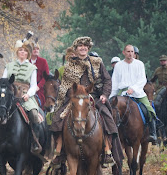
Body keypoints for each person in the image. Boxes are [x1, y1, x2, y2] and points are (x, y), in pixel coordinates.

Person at [51, 36, 120, 167]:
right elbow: (65, 85)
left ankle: (107, 150)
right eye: (80, 46)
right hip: (74, 97)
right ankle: (59, 151)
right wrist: (69, 97)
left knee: (107, 117)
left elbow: (107, 80)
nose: (83, 48)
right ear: (76, 49)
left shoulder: (97, 62)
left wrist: (105, 95)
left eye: (85, 46)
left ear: (88, 48)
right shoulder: (70, 65)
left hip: (94, 95)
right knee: (57, 119)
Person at [1, 38, 44, 157]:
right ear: (17, 52)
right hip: (9, 96)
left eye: (25, 51)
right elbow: (4, 81)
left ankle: (35, 142)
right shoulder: (9, 66)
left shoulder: (32, 68)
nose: (22, 53)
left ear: (28, 54)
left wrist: (28, 95)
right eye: (20, 50)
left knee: (34, 115)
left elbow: (34, 85)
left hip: (25, 96)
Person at [109, 44, 157, 144]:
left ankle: (153, 133)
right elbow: (115, 82)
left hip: (138, 92)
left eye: (132, 52)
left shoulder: (140, 64)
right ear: (124, 52)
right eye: (128, 52)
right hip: (122, 93)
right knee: (112, 111)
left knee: (149, 109)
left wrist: (133, 89)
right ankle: (111, 135)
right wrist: (111, 97)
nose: (130, 54)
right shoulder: (118, 65)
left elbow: (142, 80)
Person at [30, 41, 50, 107]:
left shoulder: (43, 61)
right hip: (26, 87)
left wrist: (38, 86)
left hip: (39, 89)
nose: (36, 50)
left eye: (37, 49)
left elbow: (46, 76)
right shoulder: (27, 61)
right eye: (34, 49)